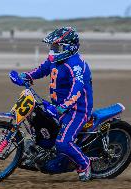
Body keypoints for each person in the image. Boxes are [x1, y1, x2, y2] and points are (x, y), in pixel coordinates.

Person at [19, 27, 93, 181]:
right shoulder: (55, 59)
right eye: (52, 47)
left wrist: (64, 106)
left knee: (63, 143)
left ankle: (84, 164)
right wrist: (26, 76)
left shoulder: (76, 65)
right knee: (38, 120)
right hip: (59, 106)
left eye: (56, 47)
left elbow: (77, 89)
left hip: (77, 110)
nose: (52, 50)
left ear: (68, 47)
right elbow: (42, 70)